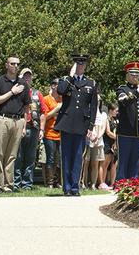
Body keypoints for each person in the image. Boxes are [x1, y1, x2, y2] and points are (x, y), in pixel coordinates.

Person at [54, 53, 98, 196]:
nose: (80, 67)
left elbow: (93, 107)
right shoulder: (66, 80)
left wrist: (91, 127)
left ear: (85, 66)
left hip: (81, 125)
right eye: (78, 64)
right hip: (67, 123)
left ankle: (75, 186)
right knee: (66, 156)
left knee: (78, 156)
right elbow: (60, 91)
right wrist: (70, 76)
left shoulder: (91, 83)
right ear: (74, 66)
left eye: (82, 64)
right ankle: (66, 187)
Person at [0, 56, 29, 193]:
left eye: (18, 64)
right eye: (13, 64)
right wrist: (12, 92)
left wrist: (24, 126)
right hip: (2, 119)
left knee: (12, 155)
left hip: (18, 121)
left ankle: (8, 184)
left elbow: (26, 107)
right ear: (6, 65)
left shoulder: (23, 83)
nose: (16, 66)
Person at [115, 61, 139, 180]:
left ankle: (132, 185)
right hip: (125, 131)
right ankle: (121, 183)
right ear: (127, 75)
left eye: (137, 74)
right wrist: (137, 92)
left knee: (136, 161)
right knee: (124, 160)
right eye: (132, 74)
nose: (135, 76)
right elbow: (124, 102)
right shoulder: (122, 89)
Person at [14, 68, 45, 190]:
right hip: (18, 127)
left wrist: (42, 129)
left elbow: (43, 112)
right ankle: (16, 183)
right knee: (17, 156)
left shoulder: (37, 94)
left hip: (33, 128)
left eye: (29, 77)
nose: (27, 79)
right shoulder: (16, 92)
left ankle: (27, 183)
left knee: (31, 157)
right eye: (24, 77)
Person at [41, 78, 62, 187]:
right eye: (59, 84)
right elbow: (45, 116)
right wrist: (56, 109)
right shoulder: (46, 99)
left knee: (59, 159)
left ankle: (57, 182)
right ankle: (49, 183)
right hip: (49, 133)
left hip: (60, 134)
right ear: (53, 86)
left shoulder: (62, 100)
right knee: (50, 158)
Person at [82, 104, 107, 189]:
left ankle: (93, 184)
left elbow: (103, 128)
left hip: (98, 141)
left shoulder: (103, 114)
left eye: (99, 100)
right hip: (88, 139)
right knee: (85, 163)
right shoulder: (88, 111)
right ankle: (83, 183)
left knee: (95, 164)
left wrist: (98, 137)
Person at [100, 104, 118, 189]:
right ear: (111, 110)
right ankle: (102, 182)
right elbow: (108, 132)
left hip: (112, 144)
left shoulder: (114, 120)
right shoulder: (106, 119)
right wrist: (118, 138)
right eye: (116, 110)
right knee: (104, 164)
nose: (116, 112)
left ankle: (109, 183)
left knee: (111, 164)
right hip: (106, 142)